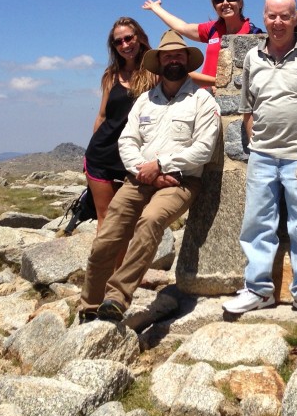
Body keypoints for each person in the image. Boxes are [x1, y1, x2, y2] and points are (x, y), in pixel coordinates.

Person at [78, 30, 221, 323]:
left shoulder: (202, 101)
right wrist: (147, 171)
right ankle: (89, 305)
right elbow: (127, 142)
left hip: (180, 181)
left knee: (151, 219)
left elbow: (203, 150)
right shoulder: (144, 101)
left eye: (178, 55)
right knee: (108, 234)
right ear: (159, 61)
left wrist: (161, 165)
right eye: (168, 56)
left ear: (187, 60)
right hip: (141, 178)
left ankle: (117, 297)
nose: (173, 60)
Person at [222, 0, 297, 320]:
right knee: (257, 225)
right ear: (264, 17)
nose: (277, 22)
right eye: (272, 16)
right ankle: (258, 290)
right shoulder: (253, 57)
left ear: (295, 18)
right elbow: (247, 105)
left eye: (284, 16)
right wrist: (251, 133)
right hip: (262, 156)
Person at [83, 18, 157, 244]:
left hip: (134, 158)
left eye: (129, 38)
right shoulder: (111, 75)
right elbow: (102, 116)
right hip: (102, 155)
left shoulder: (155, 72)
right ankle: (104, 276)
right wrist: (88, 153)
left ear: (140, 37)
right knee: (106, 219)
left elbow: (185, 76)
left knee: (132, 219)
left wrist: (215, 82)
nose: (125, 45)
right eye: (118, 42)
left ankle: (126, 276)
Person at [142, 0, 262, 88]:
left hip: (237, 98)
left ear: (240, 2)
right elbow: (181, 27)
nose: (225, 2)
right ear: (215, 6)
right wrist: (155, 8)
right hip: (207, 97)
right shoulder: (212, 29)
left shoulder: (254, 33)